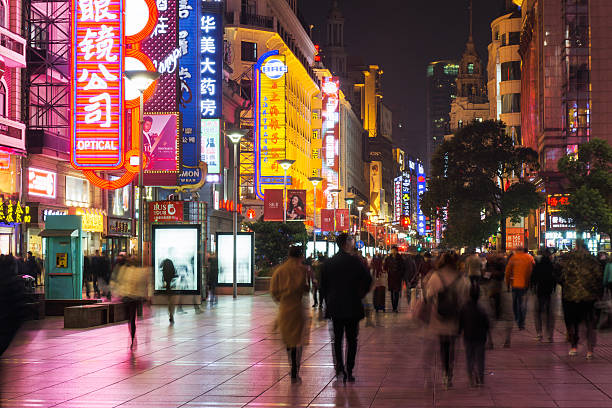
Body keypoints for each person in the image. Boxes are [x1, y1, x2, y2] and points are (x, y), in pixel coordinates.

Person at [321, 233, 372, 382]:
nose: (352, 243)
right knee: (352, 340)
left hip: (335, 306)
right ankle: (349, 370)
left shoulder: (329, 263)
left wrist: (327, 301)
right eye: (351, 240)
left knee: (337, 339)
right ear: (346, 244)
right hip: (352, 306)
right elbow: (368, 279)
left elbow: (323, 287)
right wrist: (361, 294)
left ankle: (340, 370)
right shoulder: (355, 262)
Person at [424, 251, 469, 389]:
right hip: (455, 316)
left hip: (439, 316)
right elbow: (466, 296)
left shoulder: (435, 276)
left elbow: (428, 295)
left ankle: (445, 373)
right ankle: (449, 373)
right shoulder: (460, 277)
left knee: (444, 345)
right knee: (452, 346)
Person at [269, 246, 310, 383]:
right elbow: (305, 289)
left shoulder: (280, 270)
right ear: (300, 256)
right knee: (298, 340)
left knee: (288, 339)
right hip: (298, 309)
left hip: (285, 309)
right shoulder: (302, 270)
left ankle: (291, 364)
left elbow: (273, 292)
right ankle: (295, 367)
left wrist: (282, 299)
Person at [558, 240, 603, 359]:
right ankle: (590, 350)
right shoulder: (592, 260)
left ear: (576, 246)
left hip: (571, 295)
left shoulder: (569, 259)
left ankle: (574, 347)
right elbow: (598, 277)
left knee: (573, 322)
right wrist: (597, 292)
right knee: (589, 322)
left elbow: (561, 276)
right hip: (588, 296)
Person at [111, 257, 151, 348]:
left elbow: (120, 282)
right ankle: (133, 335)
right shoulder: (127, 270)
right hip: (129, 296)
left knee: (131, 318)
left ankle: (133, 337)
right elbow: (120, 282)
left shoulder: (139, 271)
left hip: (132, 297)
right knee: (130, 318)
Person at [459, 282, 490, 387]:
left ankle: (471, 376)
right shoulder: (482, 309)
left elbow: (461, 322)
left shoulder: (464, 308)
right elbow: (487, 324)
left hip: (468, 336)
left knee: (469, 357)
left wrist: (459, 332)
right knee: (480, 359)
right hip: (480, 337)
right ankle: (481, 378)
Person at [505, 247, 534, 330]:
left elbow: (507, 272)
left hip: (514, 284)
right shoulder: (529, 257)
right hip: (525, 285)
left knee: (515, 303)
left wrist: (507, 285)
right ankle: (522, 322)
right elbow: (532, 270)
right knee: (523, 304)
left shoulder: (513, 258)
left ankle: (517, 318)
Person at [531, 249, 557, 342]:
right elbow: (555, 279)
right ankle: (549, 335)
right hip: (549, 292)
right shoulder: (552, 266)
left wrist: (533, 288)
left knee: (537, 312)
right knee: (549, 314)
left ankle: (539, 333)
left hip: (539, 291)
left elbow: (533, 278)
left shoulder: (537, 266)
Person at [384, 246, 405, 312]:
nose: (393, 251)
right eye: (392, 250)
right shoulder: (388, 258)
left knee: (396, 293)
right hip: (391, 277)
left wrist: (401, 275)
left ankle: (395, 308)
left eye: (394, 250)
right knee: (392, 293)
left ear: (396, 251)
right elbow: (385, 267)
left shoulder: (400, 258)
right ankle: (393, 307)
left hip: (398, 278)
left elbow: (403, 268)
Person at [161, 256, 177, 323]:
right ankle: (171, 314)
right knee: (172, 302)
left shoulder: (164, 272)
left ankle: (170, 314)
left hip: (168, 288)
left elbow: (164, 280)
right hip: (173, 288)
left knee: (169, 302)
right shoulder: (173, 271)